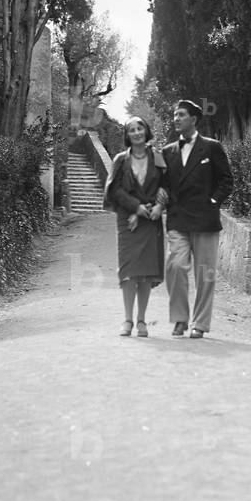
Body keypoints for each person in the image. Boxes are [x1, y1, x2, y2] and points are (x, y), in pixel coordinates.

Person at [161, 99, 233, 338]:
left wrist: (213, 201)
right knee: (175, 267)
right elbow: (162, 185)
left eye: (181, 115)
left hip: (205, 221)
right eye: (174, 115)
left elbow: (226, 180)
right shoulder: (167, 151)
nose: (176, 119)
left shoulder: (212, 147)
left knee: (205, 275)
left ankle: (200, 324)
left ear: (193, 119)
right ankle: (180, 318)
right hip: (178, 220)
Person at [103, 116, 168, 337]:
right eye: (132, 129)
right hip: (127, 222)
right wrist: (135, 208)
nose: (137, 132)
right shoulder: (120, 160)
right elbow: (115, 190)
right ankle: (128, 319)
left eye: (140, 128)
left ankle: (142, 321)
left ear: (146, 131)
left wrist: (160, 205)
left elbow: (167, 185)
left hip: (151, 219)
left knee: (146, 274)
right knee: (129, 272)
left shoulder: (158, 156)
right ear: (127, 135)